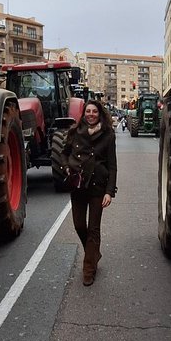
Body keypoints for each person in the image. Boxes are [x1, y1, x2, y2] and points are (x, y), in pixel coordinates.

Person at [61, 99, 117, 286]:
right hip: (78, 185)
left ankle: (88, 269)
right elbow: (64, 153)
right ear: (84, 113)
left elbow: (112, 166)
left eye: (94, 111)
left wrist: (109, 191)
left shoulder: (108, 135)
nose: (91, 114)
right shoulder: (75, 131)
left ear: (99, 114)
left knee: (93, 229)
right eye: (88, 111)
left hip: (97, 187)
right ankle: (93, 254)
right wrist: (66, 167)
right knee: (79, 225)